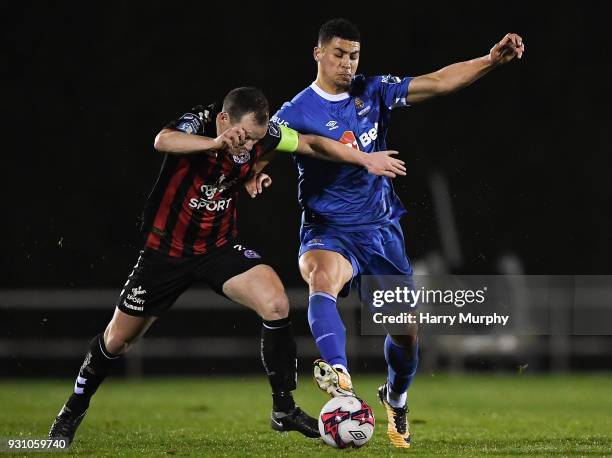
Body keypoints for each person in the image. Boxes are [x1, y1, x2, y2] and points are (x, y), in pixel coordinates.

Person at [48, 86, 407, 444]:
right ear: (224, 120)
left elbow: (311, 144)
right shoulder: (201, 123)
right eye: (244, 137)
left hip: (218, 248)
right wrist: (216, 143)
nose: (250, 147)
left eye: (257, 140)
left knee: (277, 303)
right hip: (165, 253)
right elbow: (163, 140)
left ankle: (284, 409)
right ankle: (71, 412)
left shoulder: (262, 137)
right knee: (118, 341)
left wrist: (362, 159)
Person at [259, 18, 525, 448]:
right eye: (339, 54)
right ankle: (339, 375)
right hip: (329, 229)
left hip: (381, 231)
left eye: (354, 56)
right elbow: (265, 146)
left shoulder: (373, 91)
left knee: (406, 332)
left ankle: (394, 397)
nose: (347, 64)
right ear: (319, 53)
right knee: (320, 278)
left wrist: (491, 61)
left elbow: (438, 83)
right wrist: (256, 174)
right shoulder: (296, 110)